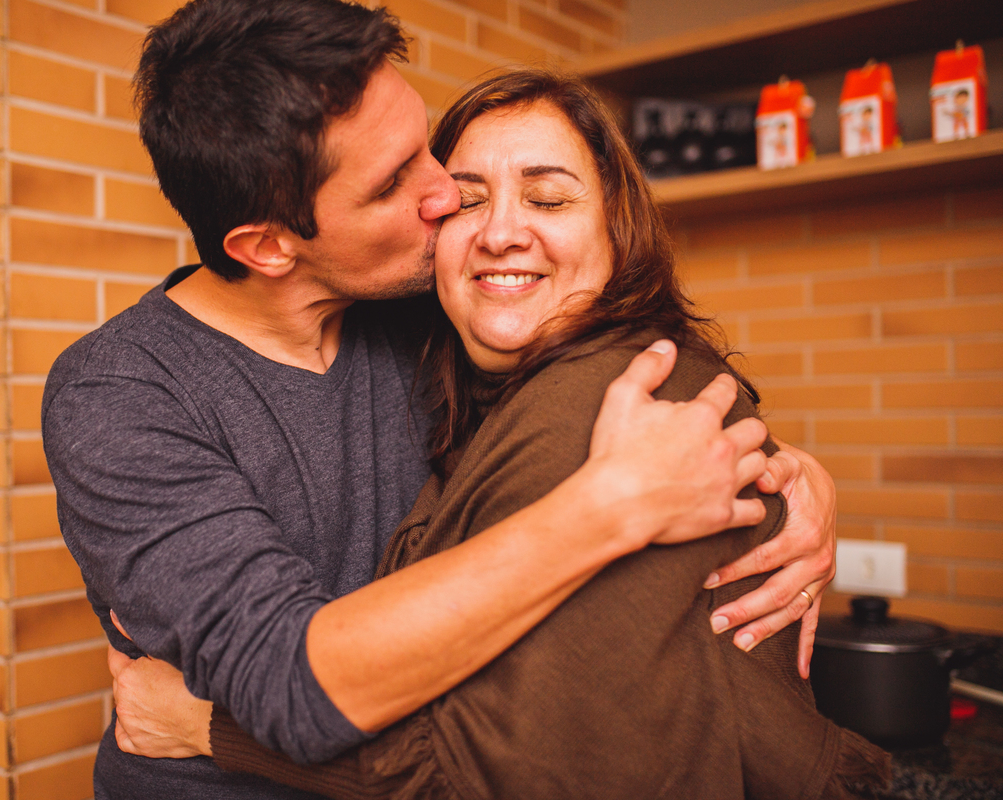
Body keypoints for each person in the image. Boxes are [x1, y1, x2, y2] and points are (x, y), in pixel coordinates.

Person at [42, 2, 839, 798]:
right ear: (268, 246)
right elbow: (294, 685)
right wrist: (612, 505)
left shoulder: (427, 310)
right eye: (394, 182)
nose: (444, 195)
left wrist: (793, 479)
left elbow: (583, 382)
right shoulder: (120, 395)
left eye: (425, 147)